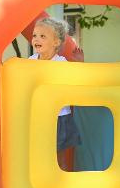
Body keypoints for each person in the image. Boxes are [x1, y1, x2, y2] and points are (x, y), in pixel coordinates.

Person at [29, 17, 82, 170]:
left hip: (59, 118)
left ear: (56, 42)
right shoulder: (30, 61)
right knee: (39, 155)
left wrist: (79, 64)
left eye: (42, 36)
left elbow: (74, 81)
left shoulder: (61, 62)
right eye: (34, 35)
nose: (36, 39)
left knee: (59, 159)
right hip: (39, 117)